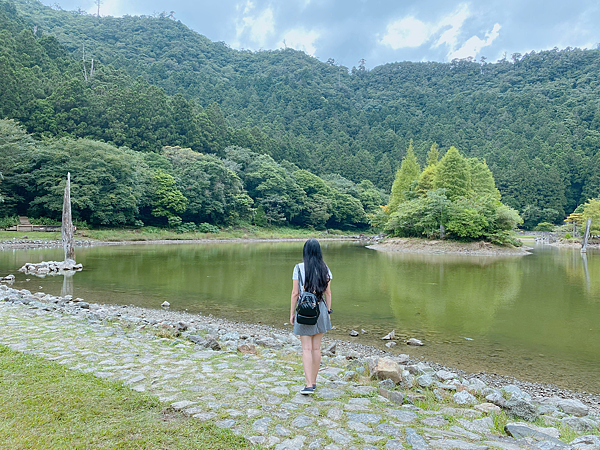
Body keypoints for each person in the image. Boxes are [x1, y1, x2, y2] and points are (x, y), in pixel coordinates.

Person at [290, 238, 332, 395]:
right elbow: (327, 292)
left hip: (304, 309)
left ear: (305, 251)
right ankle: (313, 382)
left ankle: (308, 385)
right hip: (320, 308)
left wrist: (292, 313)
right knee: (316, 348)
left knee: (306, 349)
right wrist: (328, 311)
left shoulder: (299, 268)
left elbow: (295, 293)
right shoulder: (325, 268)